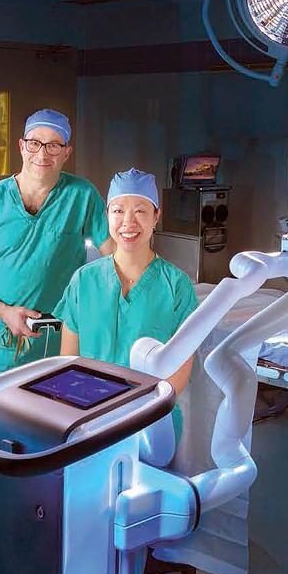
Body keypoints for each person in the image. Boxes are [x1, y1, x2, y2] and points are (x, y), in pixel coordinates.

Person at [0, 108, 112, 574]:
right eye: (34, 144)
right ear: (21, 147)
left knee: (56, 438)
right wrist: (2, 311)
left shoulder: (81, 196)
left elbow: (112, 252)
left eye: (54, 145)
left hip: (55, 340)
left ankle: (48, 531)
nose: (43, 153)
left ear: (67, 151)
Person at [54, 167, 197, 448]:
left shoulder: (176, 285)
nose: (128, 222)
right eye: (118, 211)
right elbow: (68, 362)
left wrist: (141, 414)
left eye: (141, 211)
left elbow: (180, 373)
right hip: (89, 419)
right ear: (107, 215)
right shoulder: (84, 281)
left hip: (151, 423)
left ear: (156, 216)